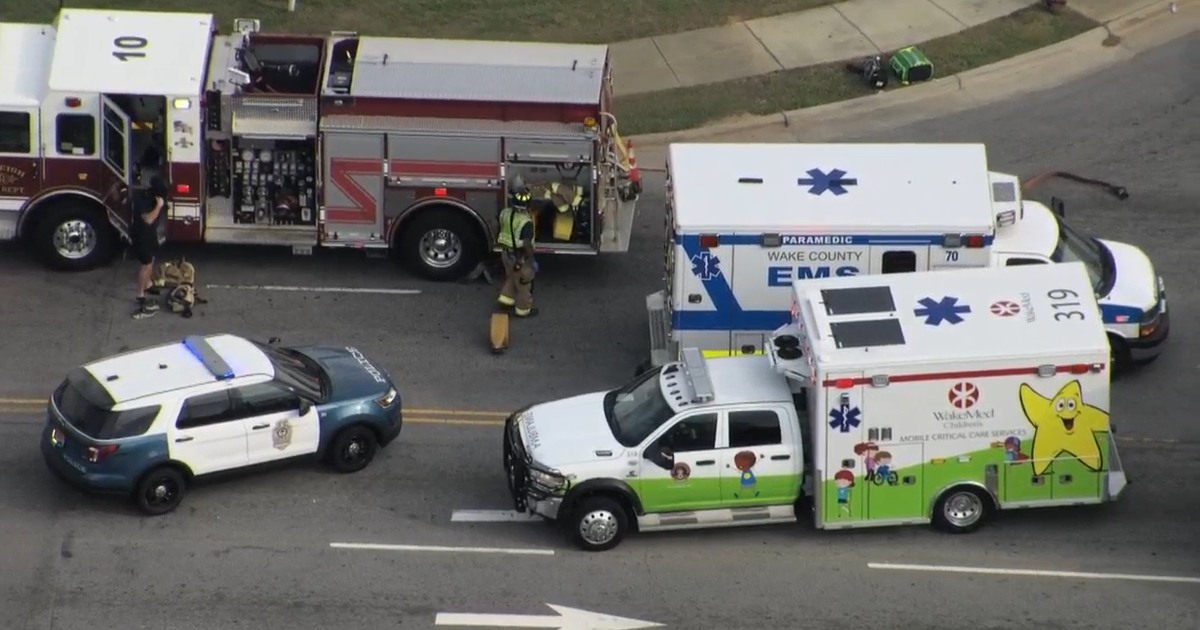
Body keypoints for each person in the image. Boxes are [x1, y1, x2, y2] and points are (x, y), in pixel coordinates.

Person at [496, 183, 538, 317]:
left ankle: (505, 301)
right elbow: (526, 244)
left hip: (506, 255)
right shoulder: (526, 222)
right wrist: (531, 261)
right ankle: (523, 310)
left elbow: (495, 224)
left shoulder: (505, 213)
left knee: (512, 278)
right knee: (524, 284)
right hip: (520, 257)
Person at [132, 176, 168, 319]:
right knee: (146, 264)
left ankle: (147, 284)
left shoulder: (149, 196)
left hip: (150, 234)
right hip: (142, 235)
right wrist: (158, 206)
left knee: (151, 259)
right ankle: (140, 295)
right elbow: (148, 219)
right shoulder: (143, 200)